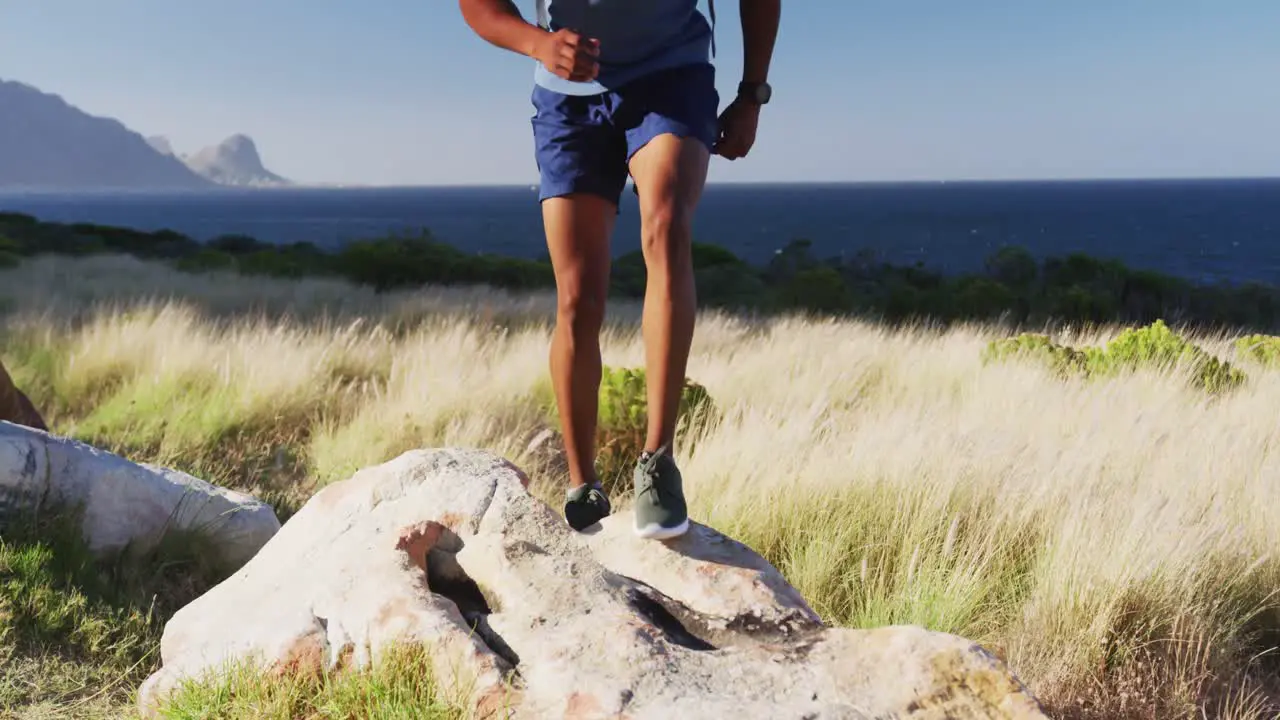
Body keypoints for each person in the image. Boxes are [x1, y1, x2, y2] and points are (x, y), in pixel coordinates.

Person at [458, 0, 780, 539]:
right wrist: (540, 44)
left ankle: (658, 462)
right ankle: (583, 485)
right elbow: (477, 6)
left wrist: (752, 94)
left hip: (672, 78)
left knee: (666, 227)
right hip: (568, 101)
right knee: (578, 297)